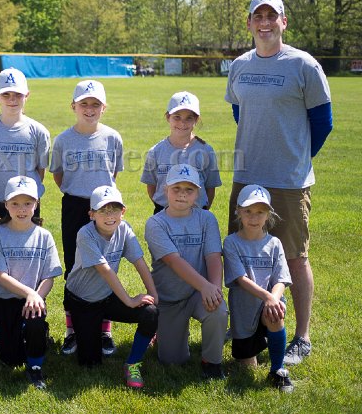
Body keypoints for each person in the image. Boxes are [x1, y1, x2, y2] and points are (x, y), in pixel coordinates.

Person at [225, 0, 333, 365]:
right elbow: (240, 113)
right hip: (246, 177)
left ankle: (301, 337)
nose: (265, 23)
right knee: (241, 253)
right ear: (249, 23)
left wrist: (296, 157)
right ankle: (246, 329)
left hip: (288, 181)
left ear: (284, 21)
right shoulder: (239, 66)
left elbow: (323, 122)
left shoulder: (304, 65)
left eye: (272, 16)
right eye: (258, 16)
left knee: (293, 257)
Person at [0, 68, 51, 351]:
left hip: (27, 204)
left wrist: (26, 199)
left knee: (31, 263)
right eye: (6, 94)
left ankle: (35, 321)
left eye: (17, 94)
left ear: (26, 95)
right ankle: (1, 326)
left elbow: (40, 170)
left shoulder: (38, 131)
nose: (12, 99)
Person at [49, 80, 123, 356]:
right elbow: (58, 175)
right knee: (74, 266)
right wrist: (78, 194)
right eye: (84, 104)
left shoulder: (112, 137)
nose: (89, 109)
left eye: (95, 104)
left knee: (106, 265)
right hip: (75, 206)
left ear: (104, 108)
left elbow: (113, 174)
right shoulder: (64, 140)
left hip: (105, 206)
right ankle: (72, 331)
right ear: (73, 106)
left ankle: (104, 330)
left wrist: (102, 203)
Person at [64, 185, 158, 388]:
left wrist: (154, 296)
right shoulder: (85, 234)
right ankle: (75, 330)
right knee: (90, 363)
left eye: (114, 209)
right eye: (103, 210)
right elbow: (105, 270)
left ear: (123, 211)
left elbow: (139, 262)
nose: (109, 215)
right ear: (91, 214)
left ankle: (132, 363)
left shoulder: (124, 229)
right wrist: (130, 301)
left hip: (107, 296)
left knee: (150, 313)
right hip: (83, 300)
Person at [144, 164, 228, 379]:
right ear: (165, 190)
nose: (182, 194)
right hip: (170, 298)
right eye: (176, 188)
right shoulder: (155, 223)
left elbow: (213, 257)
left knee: (218, 310)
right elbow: (174, 261)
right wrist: (205, 285)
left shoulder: (206, 218)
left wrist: (214, 290)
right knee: (172, 360)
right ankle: (166, 333)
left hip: (199, 293)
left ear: (198, 193)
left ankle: (211, 363)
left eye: (189, 189)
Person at [0, 176, 62, 390]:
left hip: (34, 299)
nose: (22, 209)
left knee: (35, 324)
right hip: (5, 298)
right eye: (15, 203)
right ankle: (23, 337)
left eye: (27, 203)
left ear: (36, 204)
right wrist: (30, 293)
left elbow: (49, 276)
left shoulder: (44, 236)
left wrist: (36, 296)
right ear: (6, 205)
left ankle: (35, 365)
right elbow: (0, 275)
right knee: (11, 359)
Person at [223, 185, 294, 392]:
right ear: (238, 211)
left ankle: (277, 370)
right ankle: (254, 345)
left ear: (268, 214)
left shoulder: (275, 243)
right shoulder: (231, 242)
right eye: (248, 211)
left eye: (260, 212)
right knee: (247, 367)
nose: (254, 218)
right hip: (244, 311)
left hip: (268, 306)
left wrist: (273, 299)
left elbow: (281, 279)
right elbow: (240, 279)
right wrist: (267, 297)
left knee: (275, 314)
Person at [140, 91, 221, 214]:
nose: (182, 123)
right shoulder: (156, 151)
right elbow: (152, 186)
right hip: (164, 213)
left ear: (196, 119)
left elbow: (210, 187)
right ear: (168, 117)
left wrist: (201, 213)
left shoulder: (206, 151)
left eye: (189, 118)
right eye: (177, 117)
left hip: (197, 213)